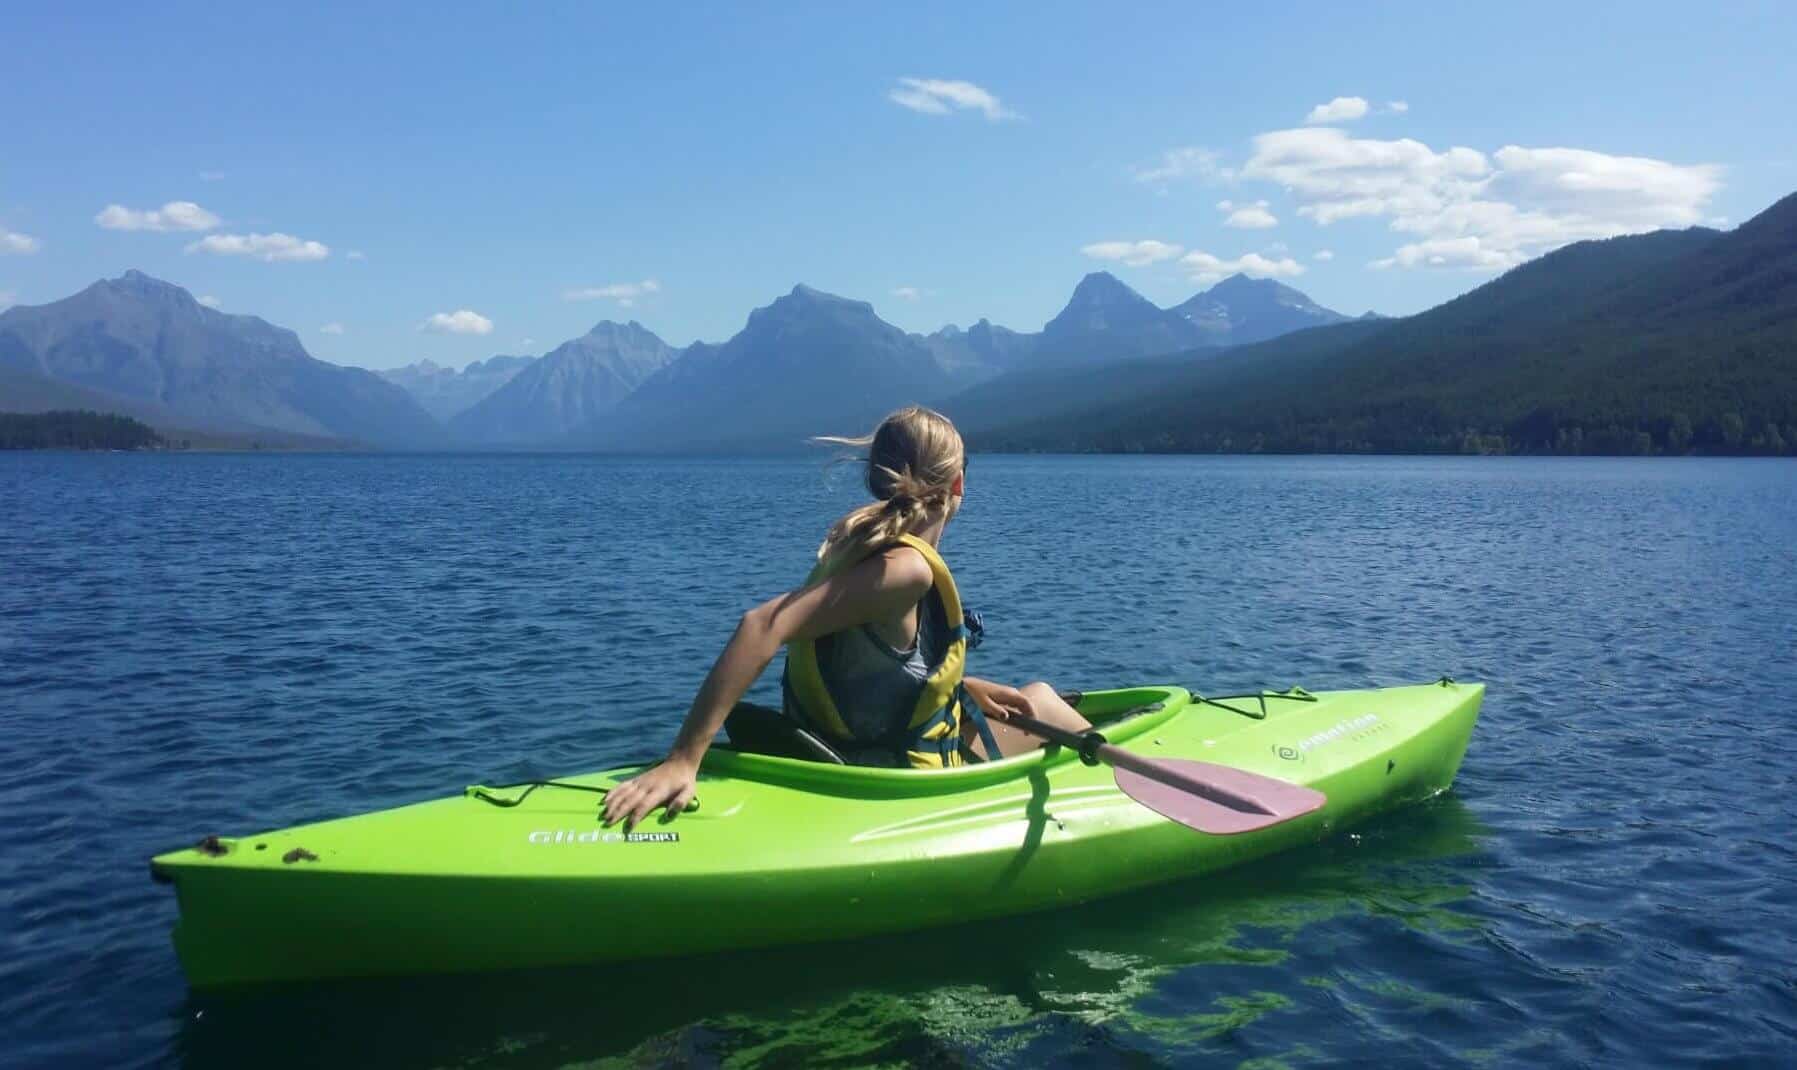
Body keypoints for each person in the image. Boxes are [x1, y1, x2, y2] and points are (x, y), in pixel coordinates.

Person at [600, 406, 1092, 829]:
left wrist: (961, 688)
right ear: (958, 483)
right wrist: (683, 760)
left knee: (1024, 701)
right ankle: (1131, 805)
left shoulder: (863, 547)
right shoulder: (909, 569)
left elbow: (868, 672)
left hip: (855, 750)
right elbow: (761, 626)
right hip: (889, 782)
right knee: (1042, 701)